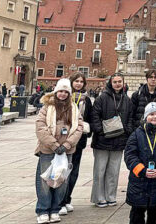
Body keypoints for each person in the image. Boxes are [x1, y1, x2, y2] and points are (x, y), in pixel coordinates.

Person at [34, 79, 84, 224]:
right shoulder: (46, 108)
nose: (62, 94)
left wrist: (67, 145)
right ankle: (43, 210)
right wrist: (54, 145)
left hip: (66, 151)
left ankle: (55, 209)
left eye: (66, 92)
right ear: (56, 92)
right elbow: (40, 127)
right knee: (45, 180)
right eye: (60, 91)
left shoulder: (74, 108)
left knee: (61, 180)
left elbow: (79, 128)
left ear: (69, 94)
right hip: (48, 149)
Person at [91, 73, 134, 208]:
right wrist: (100, 131)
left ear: (123, 83)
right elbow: (95, 115)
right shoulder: (102, 98)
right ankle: (99, 197)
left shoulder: (126, 99)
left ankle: (111, 196)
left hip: (119, 139)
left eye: (119, 82)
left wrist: (128, 130)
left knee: (114, 171)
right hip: (102, 140)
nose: (117, 84)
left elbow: (131, 117)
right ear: (110, 83)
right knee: (100, 170)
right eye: (115, 82)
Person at [61, 72, 93, 215]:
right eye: (76, 81)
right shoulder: (64, 97)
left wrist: (87, 131)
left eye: (81, 81)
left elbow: (90, 118)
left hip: (79, 140)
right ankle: (59, 201)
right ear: (71, 82)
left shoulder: (86, 100)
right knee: (62, 170)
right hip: (63, 140)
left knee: (73, 171)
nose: (79, 84)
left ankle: (67, 199)